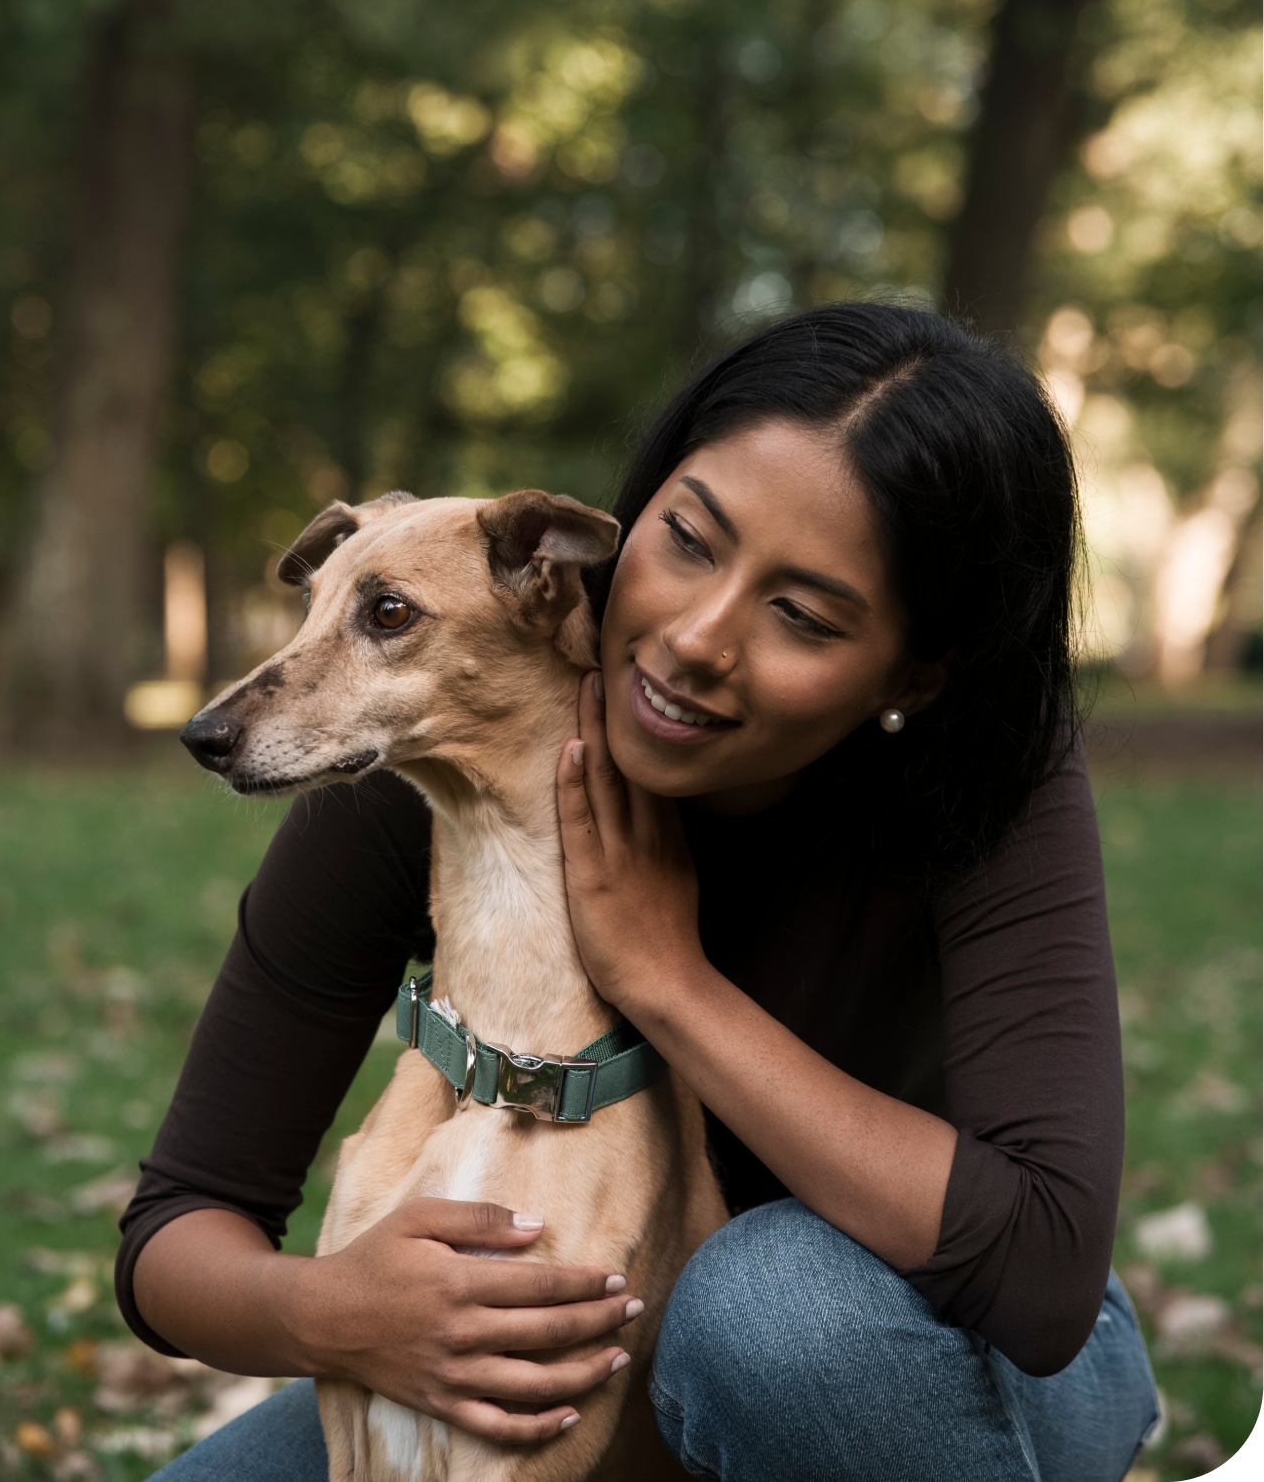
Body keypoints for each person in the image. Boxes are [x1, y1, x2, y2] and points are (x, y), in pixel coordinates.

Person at [119, 303, 1160, 1481]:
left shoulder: (987, 778)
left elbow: (1038, 1272)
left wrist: (666, 979)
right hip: (569, 1335)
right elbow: (181, 1220)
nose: (692, 638)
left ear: (915, 673)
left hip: (915, 1342)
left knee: (761, 1311)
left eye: (802, 614)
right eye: (688, 540)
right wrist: (338, 1312)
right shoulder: (425, 728)